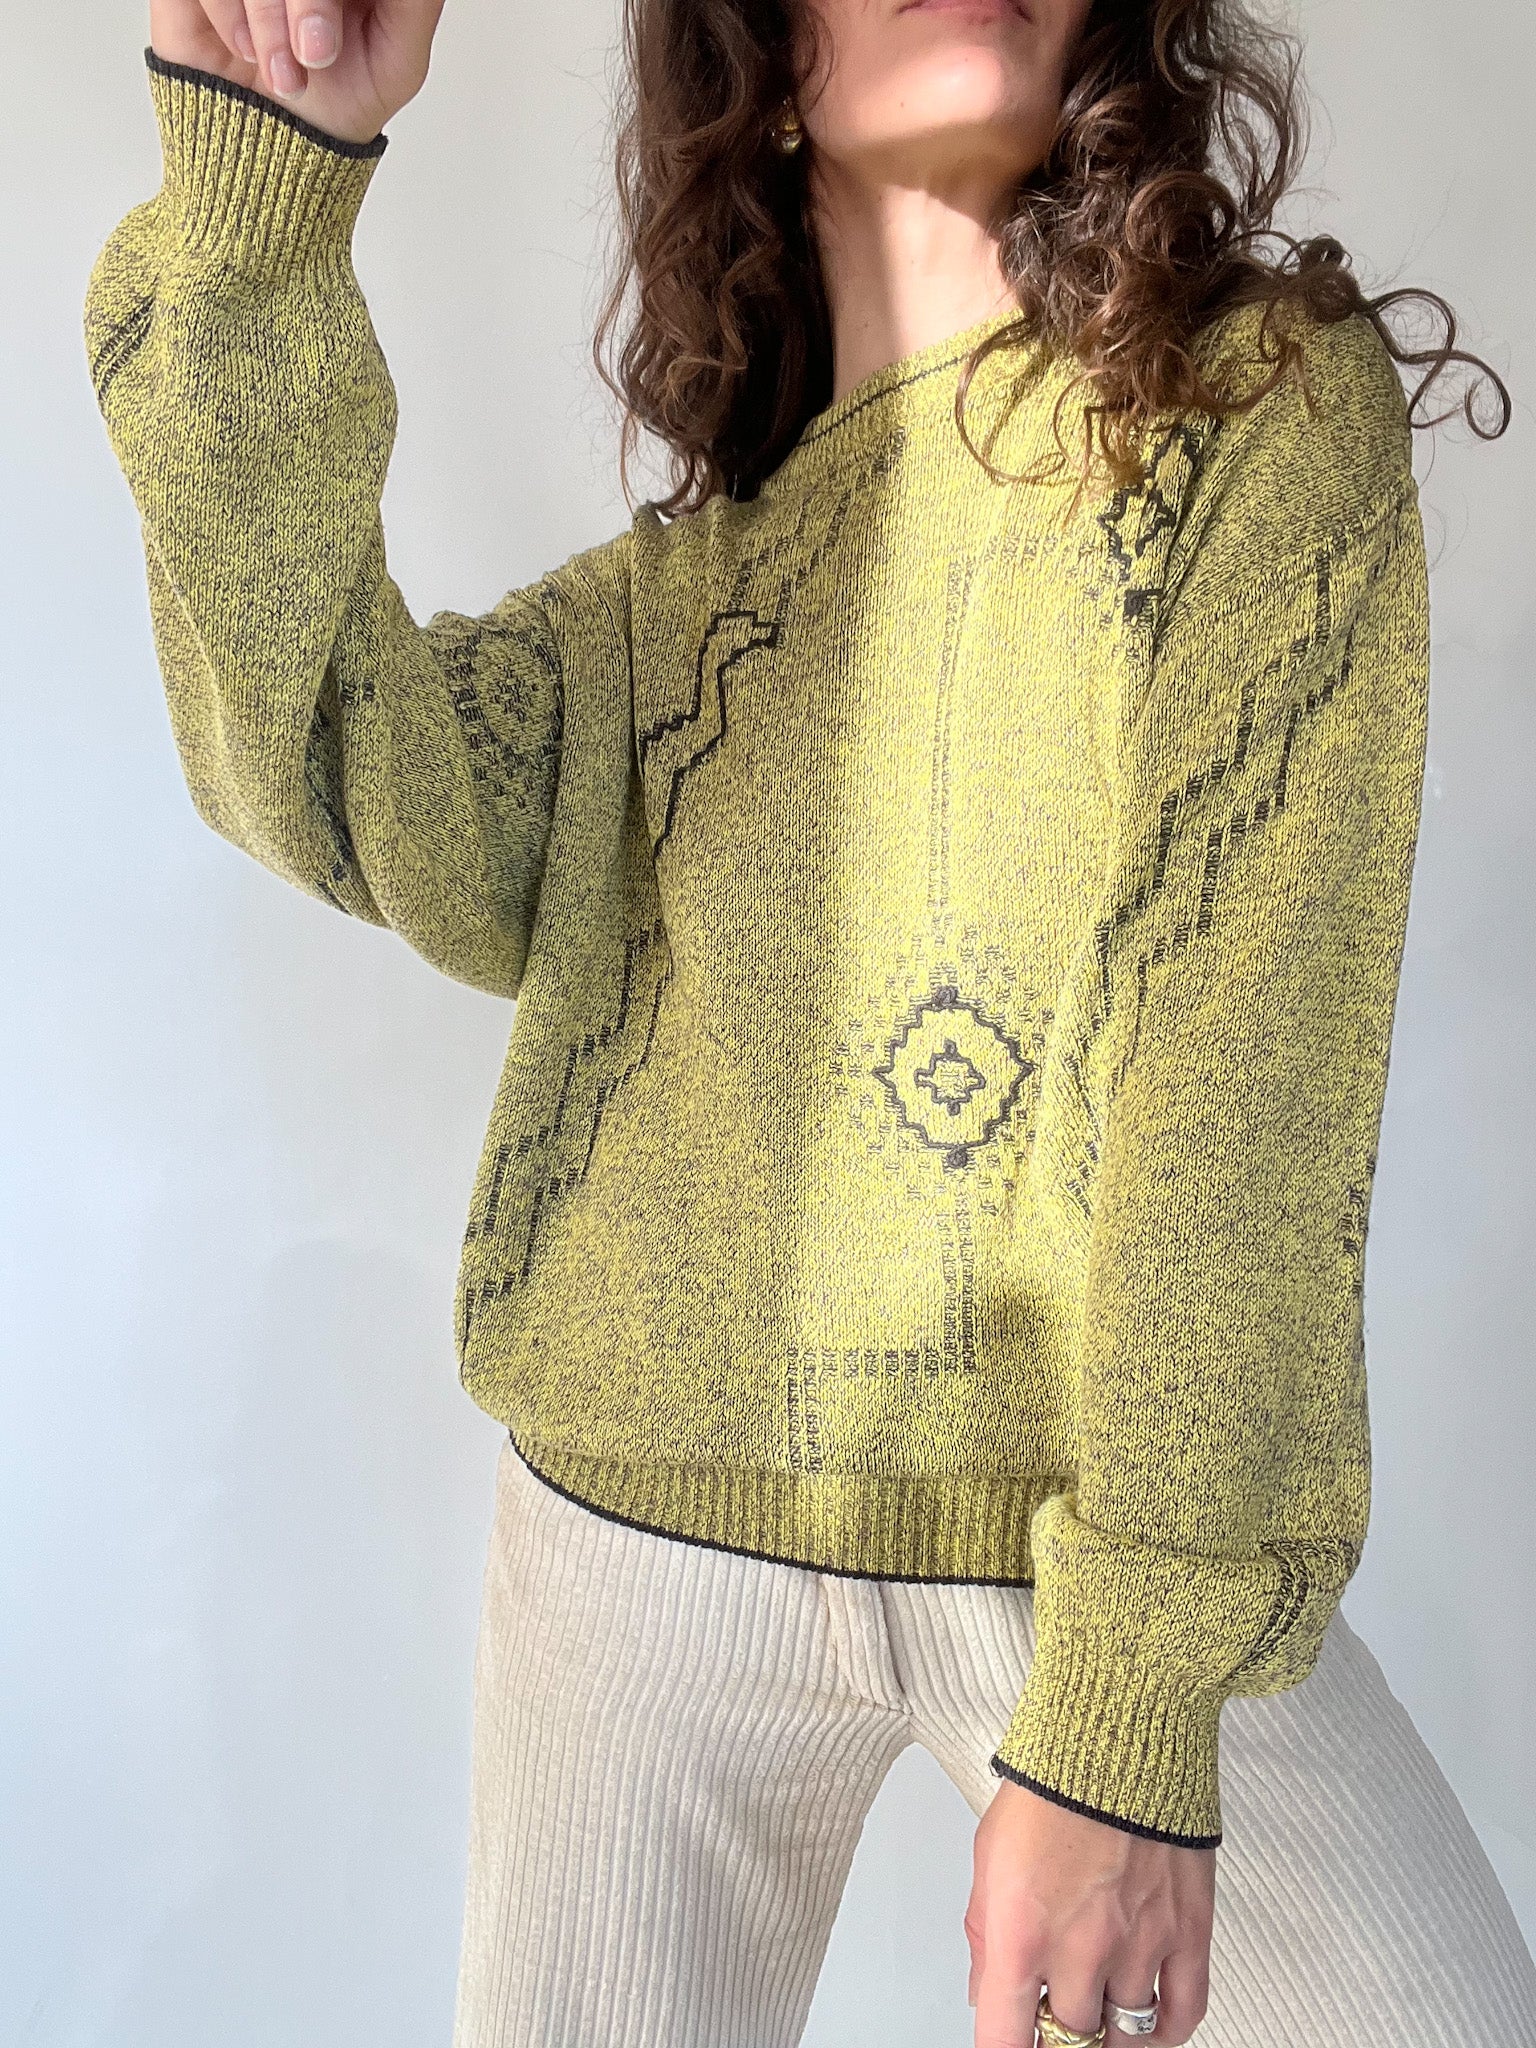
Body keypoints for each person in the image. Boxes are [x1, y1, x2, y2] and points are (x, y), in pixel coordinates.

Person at [84, 0, 1535, 2043]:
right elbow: (325, 761)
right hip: (628, 1539)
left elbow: (1249, 1084)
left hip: (1094, 1561)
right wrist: (262, 200)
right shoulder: (663, 615)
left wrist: (1127, 1716)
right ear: (756, 54)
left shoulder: (1256, 421)